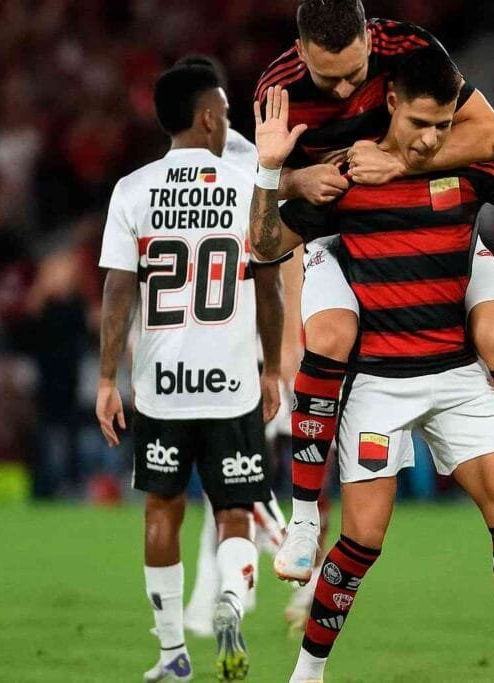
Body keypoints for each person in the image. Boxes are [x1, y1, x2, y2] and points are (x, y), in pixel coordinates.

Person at [249, 46, 494, 683]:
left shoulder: (470, 168)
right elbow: (266, 244)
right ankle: (307, 674)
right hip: (380, 385)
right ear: (391, 104)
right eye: (420, 124)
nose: (432, 139)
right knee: (362, 540)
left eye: (443, 125)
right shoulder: (348, 176)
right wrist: (272, 173)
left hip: (458, 379)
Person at [95, 63, 286, 681]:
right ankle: (231, 596)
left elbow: (118, 292)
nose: (228, 123)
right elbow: (269, 289)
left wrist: (107, 379)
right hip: (231, 383)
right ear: (207, 118)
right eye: (225, 114)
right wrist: (272, 369)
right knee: (235, 511)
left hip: (162, 388)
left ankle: (173, 653)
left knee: (162, 511)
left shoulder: (133, 190)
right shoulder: (247, 185)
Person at [167, 54, 296, 641]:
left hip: (248, 350)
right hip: (222, 348)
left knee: (234, 481)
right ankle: (213, 602)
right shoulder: (198, 165)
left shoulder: (244, 163)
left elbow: (285, 256)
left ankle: (299, 557)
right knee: (222, 487)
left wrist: (286, 351)